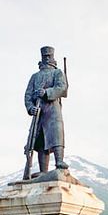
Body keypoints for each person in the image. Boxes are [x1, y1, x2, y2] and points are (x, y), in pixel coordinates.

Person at [24, 46, 68, 175]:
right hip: (38, 111)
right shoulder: (35, 77)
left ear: (53, 57)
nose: (47, 58)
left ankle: (59, 161)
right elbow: (27, 95)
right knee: (40, 141)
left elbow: (62, 88)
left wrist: (46, 92)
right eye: (45, 56)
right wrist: (30, 107)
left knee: (56, 133)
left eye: (49, 56)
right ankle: (43, 171)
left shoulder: (57, 73)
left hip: (53, 109)